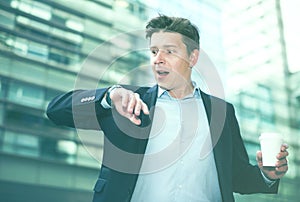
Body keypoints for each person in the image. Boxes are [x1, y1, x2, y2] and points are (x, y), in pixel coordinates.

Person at [46, 15, 289, 202]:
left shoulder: (222, 113)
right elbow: (56, 111)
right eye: (154, 51)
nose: (157, 59)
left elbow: (236, 177)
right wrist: (110, 95)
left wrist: (267, 174)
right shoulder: (127, 103)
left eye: (169, 51)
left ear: (192, 58)